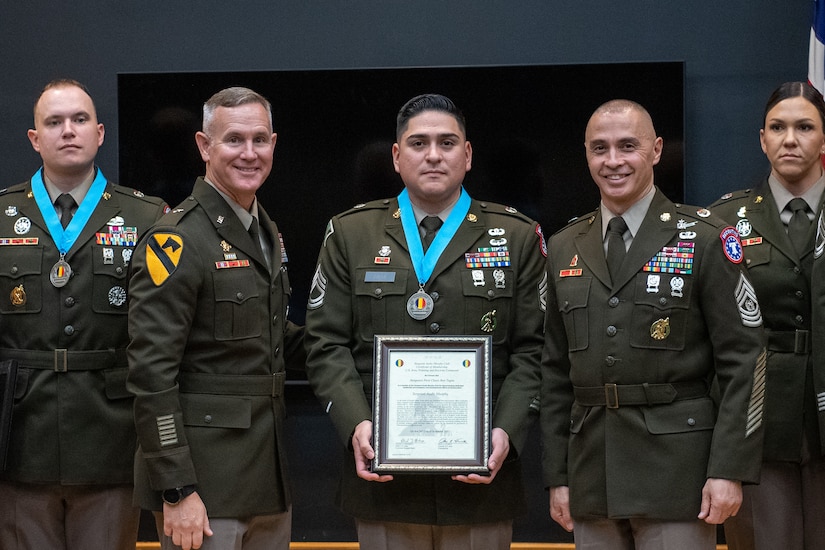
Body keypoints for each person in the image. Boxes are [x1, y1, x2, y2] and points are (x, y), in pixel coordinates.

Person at [304, 93, 546, 550]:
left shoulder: (516, 236)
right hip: (384, 482)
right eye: (418, 143)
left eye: (447, 142)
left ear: (467, 155)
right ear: (397, 157)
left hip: (481, 482)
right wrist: (357, 423)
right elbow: (324, 344)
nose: (433, 155)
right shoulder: (351, 234)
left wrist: (507, 433)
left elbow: (535, 349)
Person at [540, 99, 766, 549]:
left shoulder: (705, 238)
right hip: (592, 474)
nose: (613, 161)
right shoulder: (565, 245)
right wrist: (557, 476)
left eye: (628, 146)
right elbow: (554, 372)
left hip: (677, 474)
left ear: (657, 149)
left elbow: (745, 360)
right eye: (599, 148)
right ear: (586, 155)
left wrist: (728, 469)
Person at [127, 86, 303, 550]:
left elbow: (270, 335)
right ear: (205, 147)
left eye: (260, 140)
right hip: (205, 491)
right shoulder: (177, 241)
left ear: (274, 145)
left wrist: (357, 345)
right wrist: (177, 488)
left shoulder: (265, 230)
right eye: (234, 140)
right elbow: (151, 375)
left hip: (267, 481)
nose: (250, 153)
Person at [0, 79, 168, 549]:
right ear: (35, 139)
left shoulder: (147, 217)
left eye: (78, 120)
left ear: (99, 133)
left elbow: (164, 336)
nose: (67, 131)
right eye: (54, 122)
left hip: (110, 440)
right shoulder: (2, 214)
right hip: (20, 441)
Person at [708, 81, 825, 550]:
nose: (790, 139)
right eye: (777, 127)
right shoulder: (724, 220)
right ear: (762, 139)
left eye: (804, 127)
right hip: (758, 421)